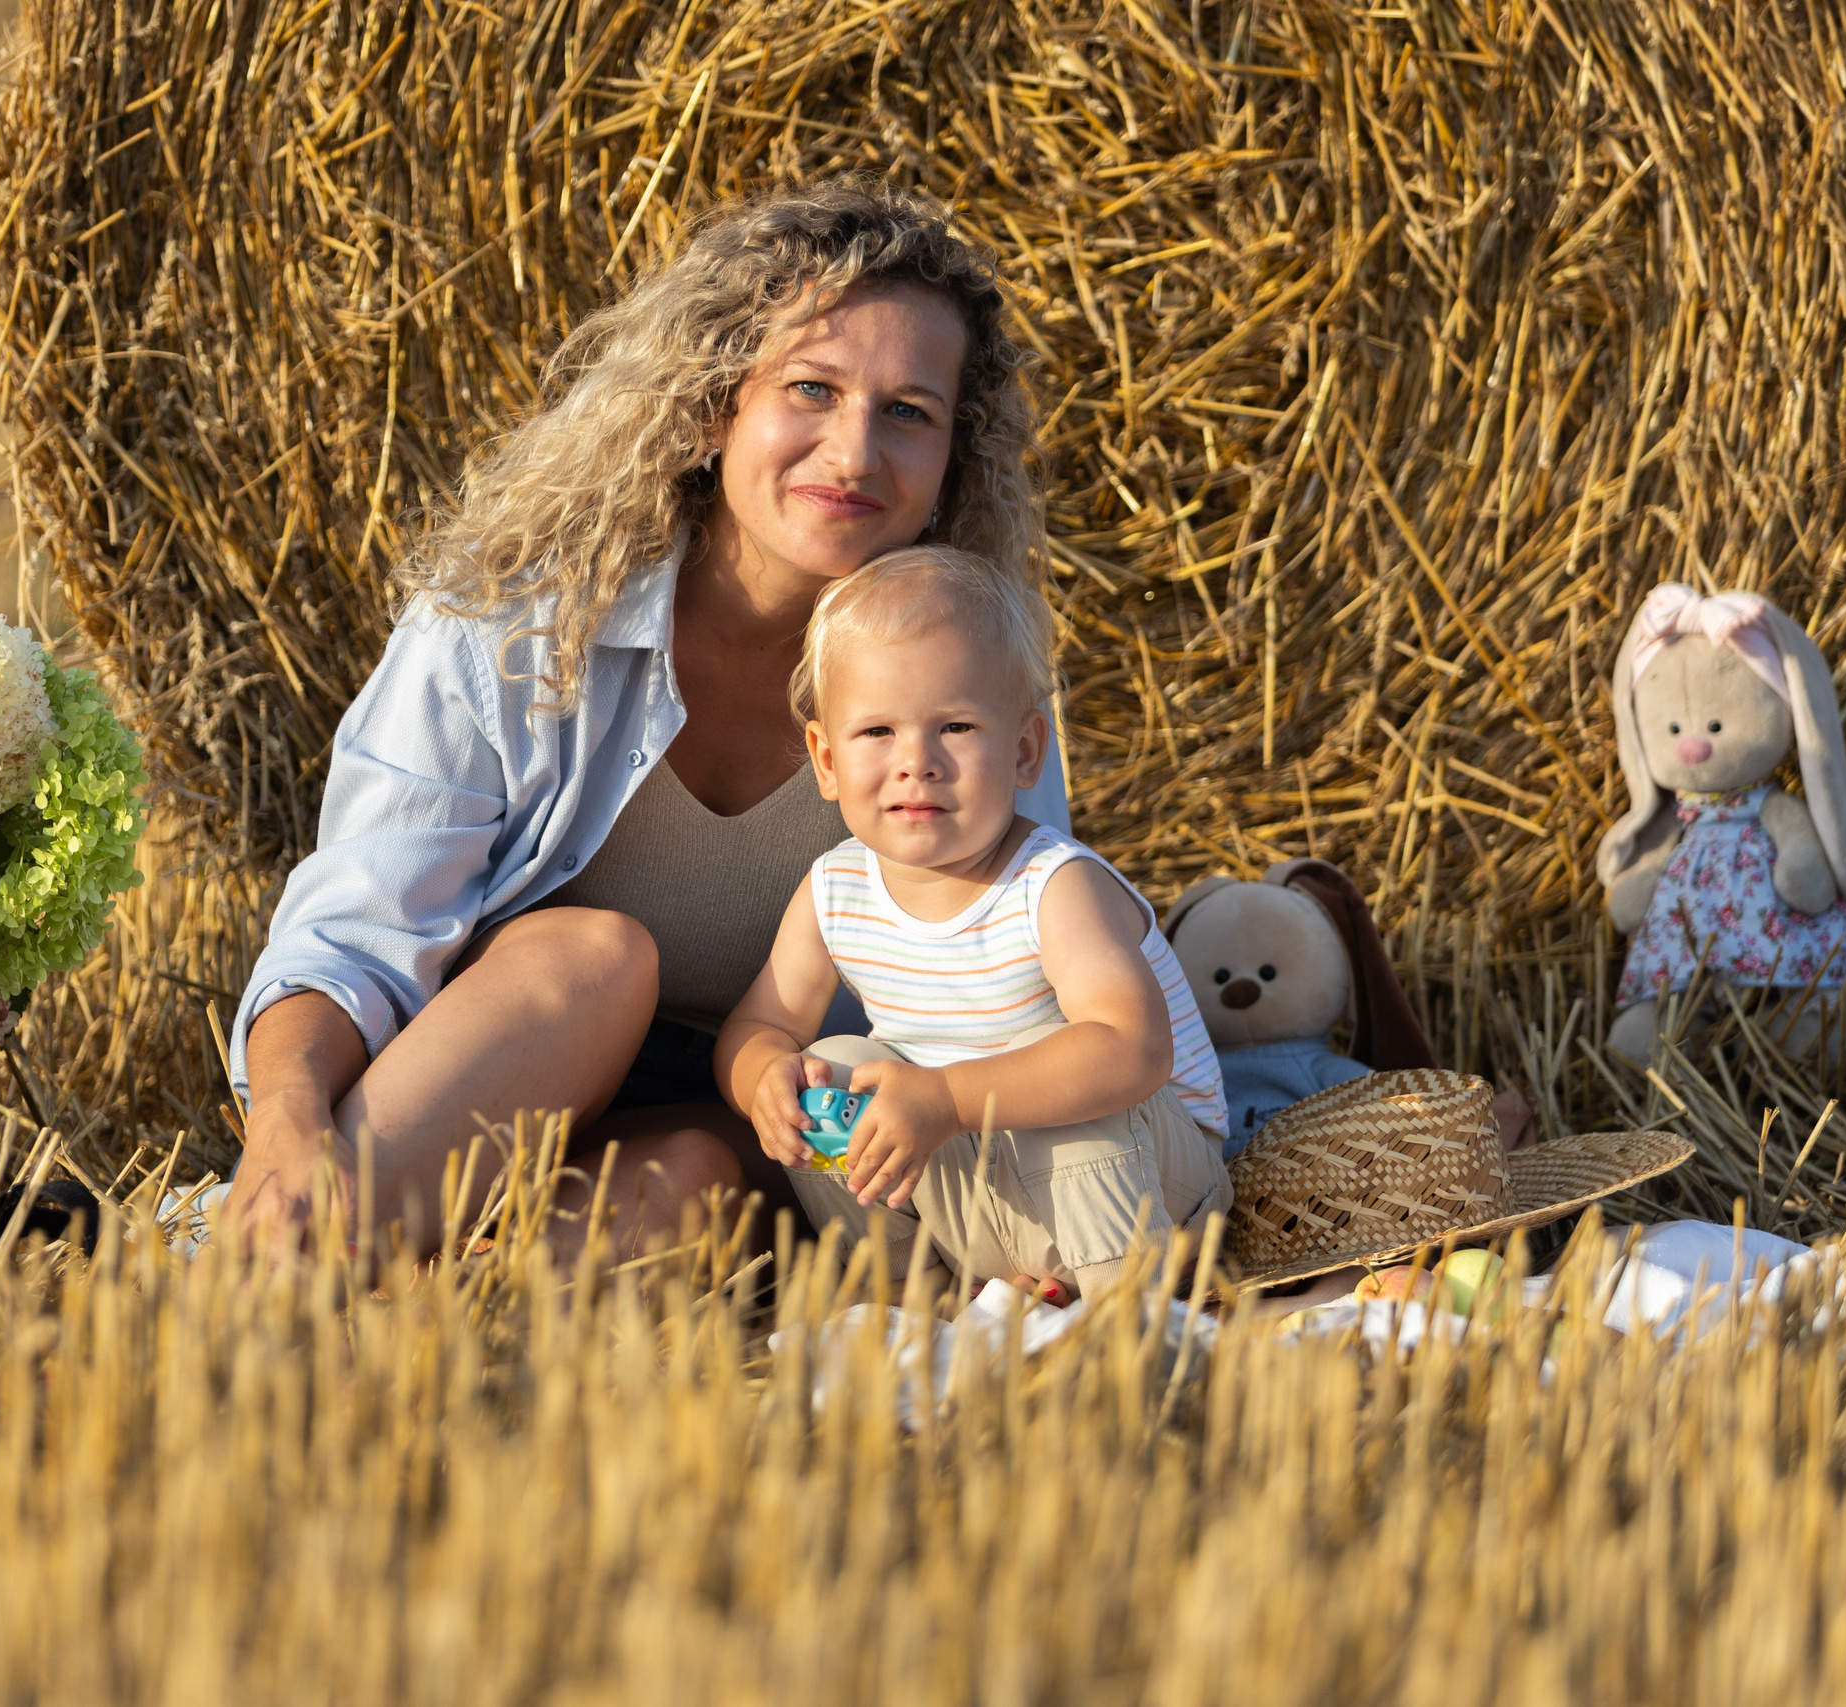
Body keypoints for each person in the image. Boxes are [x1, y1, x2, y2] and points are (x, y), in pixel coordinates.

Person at [223, 176, 1071, 1259]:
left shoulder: (971, 690)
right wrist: (285, 1128)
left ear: (951, 460)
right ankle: (284, 1259)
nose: (855, 453)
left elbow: (1028, 975)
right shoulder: (510, 628)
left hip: (759, 1134)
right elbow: (354, 937)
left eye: (908, 413)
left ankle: (426, 1333)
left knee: (694, 1179)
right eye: (810, 389)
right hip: (485, 1086)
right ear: (717, 405)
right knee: (592, 956)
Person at [715, 547, 1231, 1299]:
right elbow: (758, 1025)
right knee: (830, 1072)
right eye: (877, 732)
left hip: (1155, 1186)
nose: (916, 761)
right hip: (987, 1184)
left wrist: (948, 1099)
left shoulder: (1053, 885)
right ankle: (920, 1300)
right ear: (825, 760)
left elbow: (1133, 1050)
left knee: (1068, 1066)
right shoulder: (837, 889)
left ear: (1024, 750)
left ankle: (1127, 1321)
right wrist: (766, 1078)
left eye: (955, 726)